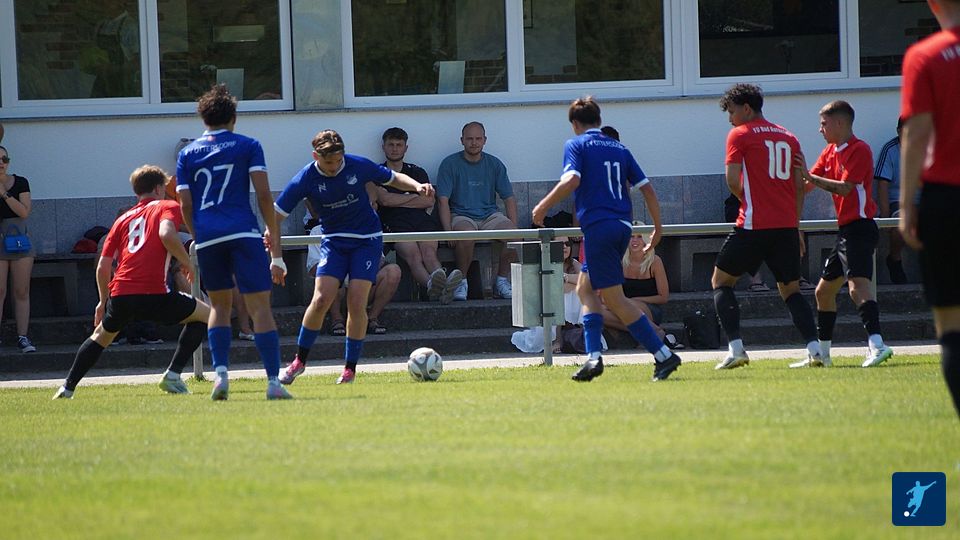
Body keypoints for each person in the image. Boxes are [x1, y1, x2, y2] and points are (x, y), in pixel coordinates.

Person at [532, 96, 682, 382]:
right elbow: (648, 190)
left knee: (614, 299)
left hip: (599, 227)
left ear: (575, 124)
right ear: (599, 121)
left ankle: (663, 354)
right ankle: (593, 358)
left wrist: (543, 205)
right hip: (621, 226)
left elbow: (571, 180)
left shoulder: (576, 144)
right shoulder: (620, 149)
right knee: (585, 290)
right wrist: (658, 228)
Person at [275, 130, 433, 386]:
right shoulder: (306, 178)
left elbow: (393, 178)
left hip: (366, 240)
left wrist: (417, 186)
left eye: (338, 160)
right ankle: (299, 362)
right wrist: (275, 255)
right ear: (316, 156)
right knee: (321, 298)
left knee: (357, 301)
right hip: (334, 241)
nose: (334, 167)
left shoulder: (357, 165)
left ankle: (349, 369)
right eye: (329, 162)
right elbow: (275, 215)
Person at [52, 165, 210, 399]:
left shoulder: (122, 219)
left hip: (121, 294)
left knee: (100, 337)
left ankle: (67, 387)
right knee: (207, 315)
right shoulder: (167, 206)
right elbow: (167, 234)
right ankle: (173, 375)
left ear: (137, 191)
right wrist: (187, 263)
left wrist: (102, 301)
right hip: (154, 292)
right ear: (159, 189)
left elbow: (103, 265)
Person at [176, 84, 291, 401]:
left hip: (209, 237)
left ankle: (221, 376)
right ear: (234, 118)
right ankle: (273, 382)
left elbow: (185, 204)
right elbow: (264, 194)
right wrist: (273, 238)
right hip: (243, 232)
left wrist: (198, 236)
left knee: (219, 307)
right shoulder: (248, 145)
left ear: (203, 118)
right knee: (259, 308)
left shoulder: (187, 154)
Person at [711, 83, 822, 371]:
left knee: (721, 282)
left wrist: (751, 200)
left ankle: (736, 349)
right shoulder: (789, 137)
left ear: (747, 108)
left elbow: (732, 181)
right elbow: (799, 186)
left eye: (732, 111)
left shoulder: (739, 134)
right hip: (785, 227)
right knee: (791, 290)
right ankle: (815, 350)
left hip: (753, 224)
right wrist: (796, 226)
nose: (730, 119)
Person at [792, 100, 893, 368]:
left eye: (824, 124)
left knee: (857, 287)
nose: (820, 129)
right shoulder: (829, 151)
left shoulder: (860, 149)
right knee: (823, 292)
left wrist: (810, 178)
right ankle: (822, 355)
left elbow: (846, 188)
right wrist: (785, 180)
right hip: (846, 231)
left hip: (860, 228)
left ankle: (878, 345)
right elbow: (806, 183)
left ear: (839, 123)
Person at [899, 0, 960, 418]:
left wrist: (907, 204)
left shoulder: (925, 55)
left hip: (947, 199)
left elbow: (917, 134)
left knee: (951, 327)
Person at [375, 127, 461, 304]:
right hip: (394, 223)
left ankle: (442, 287)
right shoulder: (377, 173)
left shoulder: (417, 172)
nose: (395, 149)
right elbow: (384, 201)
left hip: (422, 220)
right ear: (383, 147)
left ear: (406, 148)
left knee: (429, 253)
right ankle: (433, 286)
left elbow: (428, 202)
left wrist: (397, 199)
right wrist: (413, 197)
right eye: (391, 144)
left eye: (399, 145)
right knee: (414, 256)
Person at [436, 122, 517, 301]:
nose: (474, 143)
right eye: (469, 138)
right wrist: (448, 231)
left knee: (515, 236)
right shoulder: (450, 164)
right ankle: (461, 282)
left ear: (484, 140)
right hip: (461, 215)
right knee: (466, 235)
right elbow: (442, 200)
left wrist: (515, 227)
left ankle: (501, 282)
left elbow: (509, 198)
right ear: (462, 140)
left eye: (478, 138)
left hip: (490, 215)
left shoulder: (494, 164)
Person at [306, 224, 402, 336]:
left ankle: (371, 318)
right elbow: (313, 268)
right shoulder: (318, 231)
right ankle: (336, 319)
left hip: (362, 287)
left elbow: (379, 260)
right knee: (331, 274)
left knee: (393, 271)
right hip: (335, 291)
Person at [600, 230, 682, 349]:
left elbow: (663, 297)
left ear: (646, 240)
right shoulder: (619, 261)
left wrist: (636, 300)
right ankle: (653, 332)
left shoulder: (655, 261)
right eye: (631, 236)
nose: (635, 240)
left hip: (649, 309)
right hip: (622, 309)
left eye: (639, 237)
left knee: (625, 303)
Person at [0, 145, 36, 353]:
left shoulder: (21, 182)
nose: (1, 163)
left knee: (21, 290)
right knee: (0, 290)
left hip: (18, 238)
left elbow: (24, 212)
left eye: (5, 159)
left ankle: (23, 337)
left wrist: (4, 193)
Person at [875, 117, 908, 284]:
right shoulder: (890, 150)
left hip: (923, 200)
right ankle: (895, 260)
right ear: (899, 131)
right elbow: (882, 184)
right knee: (900, 222)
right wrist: (886, 217)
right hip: (898, 201)